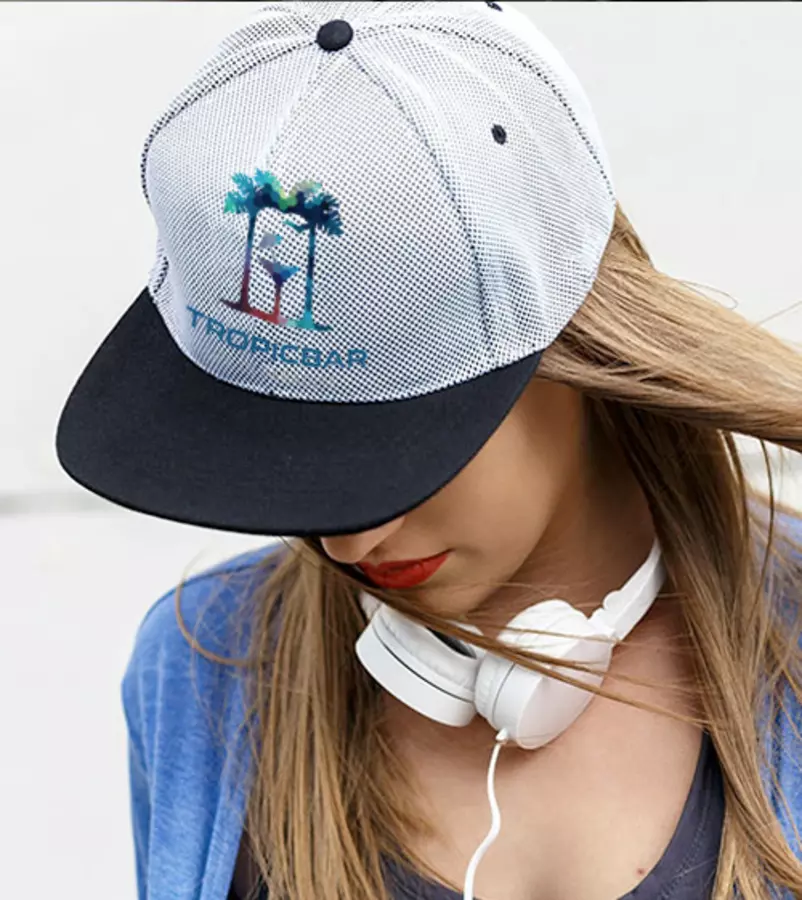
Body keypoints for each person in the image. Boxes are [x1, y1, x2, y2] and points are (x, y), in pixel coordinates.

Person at [54, 3, 802, 899]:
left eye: (396, 449)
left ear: (572, 340)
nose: (346, 541)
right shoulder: (197, 671)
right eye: (281, 462)